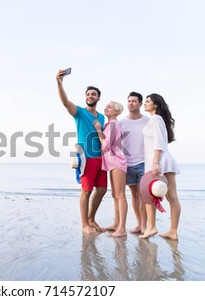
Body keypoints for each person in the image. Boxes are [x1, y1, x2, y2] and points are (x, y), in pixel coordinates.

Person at [56, 69, 107, 234]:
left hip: (101, 158)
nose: (90, 96)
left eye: (93, 94)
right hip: (86, 158)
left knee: (102, 190)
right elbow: (65, 102)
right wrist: (59, 82)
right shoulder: (79, 112)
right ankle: (85, 224)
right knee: (86, 191)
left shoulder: (101, 117)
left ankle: (91, 218)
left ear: (98, 98)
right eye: (88, 94)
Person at [139, 93, 181, 240]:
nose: (145, 103)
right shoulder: (159, 119)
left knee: (148, 194)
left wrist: (155, 162)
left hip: (158, 160)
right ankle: (173, 231)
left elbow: (158, 142)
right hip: (165, 159)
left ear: (155, 104)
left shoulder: (155, 119)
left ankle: (151, 227)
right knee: (172, 197)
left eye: (148, 101)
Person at [93, 101, 128, 237]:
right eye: (106, 106)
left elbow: (106, 145)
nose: (106, 108)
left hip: (117, 162)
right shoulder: (108, 125)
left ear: (117, 112)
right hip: (112, 162)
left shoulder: (113, 124)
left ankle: (122, 228)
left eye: (110, 107)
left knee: (120, 196)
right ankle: (116, 224)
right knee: (115, 195)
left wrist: (97, 130)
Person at [119, 92, 149, 234]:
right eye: (129, 101)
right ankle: (139, 224)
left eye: (134, 101)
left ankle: (144, 225)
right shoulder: (121, 122)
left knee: (143, 195)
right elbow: (114, 142)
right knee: (135, 195)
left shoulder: (147, 121)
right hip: (127, 164)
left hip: (144, 162)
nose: (131, 103)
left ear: (140, 104)